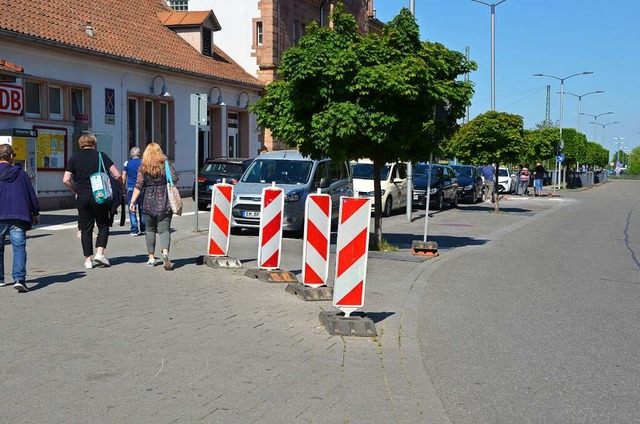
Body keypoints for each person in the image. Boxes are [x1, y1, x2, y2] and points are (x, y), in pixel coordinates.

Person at [63, 134, 121, 269]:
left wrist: (75, 191)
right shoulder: (101, 156)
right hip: (100, 195)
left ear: (80, 144)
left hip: (82, 197)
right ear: (94, 144)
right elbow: (117, 174)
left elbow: (65, 179)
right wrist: (120, 186)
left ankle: (88, 260)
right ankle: (100, 253)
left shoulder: (74, 158)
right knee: (103, 224)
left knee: (86, 228)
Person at [128, 142, 178, 270]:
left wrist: (132, 202)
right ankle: (165, 253)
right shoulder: (165, 164)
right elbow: (174, 178)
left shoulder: (143, 167)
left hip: (148, 201)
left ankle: (151, 257)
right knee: (164, 230)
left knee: (150, 230)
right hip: (164, 200)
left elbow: (138, 185)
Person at [0, 144, 40, 293]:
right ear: (11, 157)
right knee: (19, 247)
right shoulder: (21, 174)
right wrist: (36, 213)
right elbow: (31, 194)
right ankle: (19, 279)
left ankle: (0, 279)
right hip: (18, 215)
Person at [122, 147, 145, 236]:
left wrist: (123, 187)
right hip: (141, 187)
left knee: (132, 208)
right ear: (139, 154)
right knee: (142, 208)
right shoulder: (143, 162)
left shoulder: (127, 163)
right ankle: (143, 228)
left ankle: (134, 229)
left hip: (131, 187)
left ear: (131, 154)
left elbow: (123, 176)